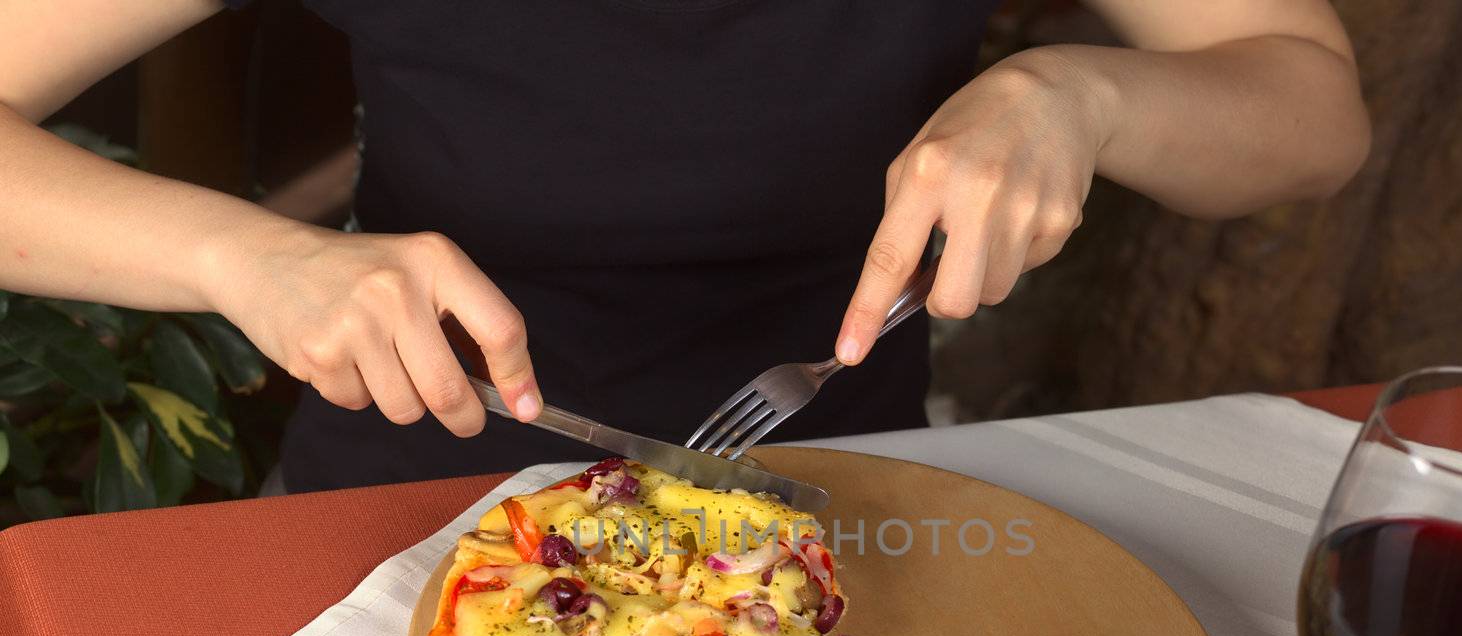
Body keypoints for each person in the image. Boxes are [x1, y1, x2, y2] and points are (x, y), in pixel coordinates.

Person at [0, 0, 1369, 492]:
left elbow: (1312, 107)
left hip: (846, 500)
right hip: (404, 508)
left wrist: (1083, 93)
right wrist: (248, 259)